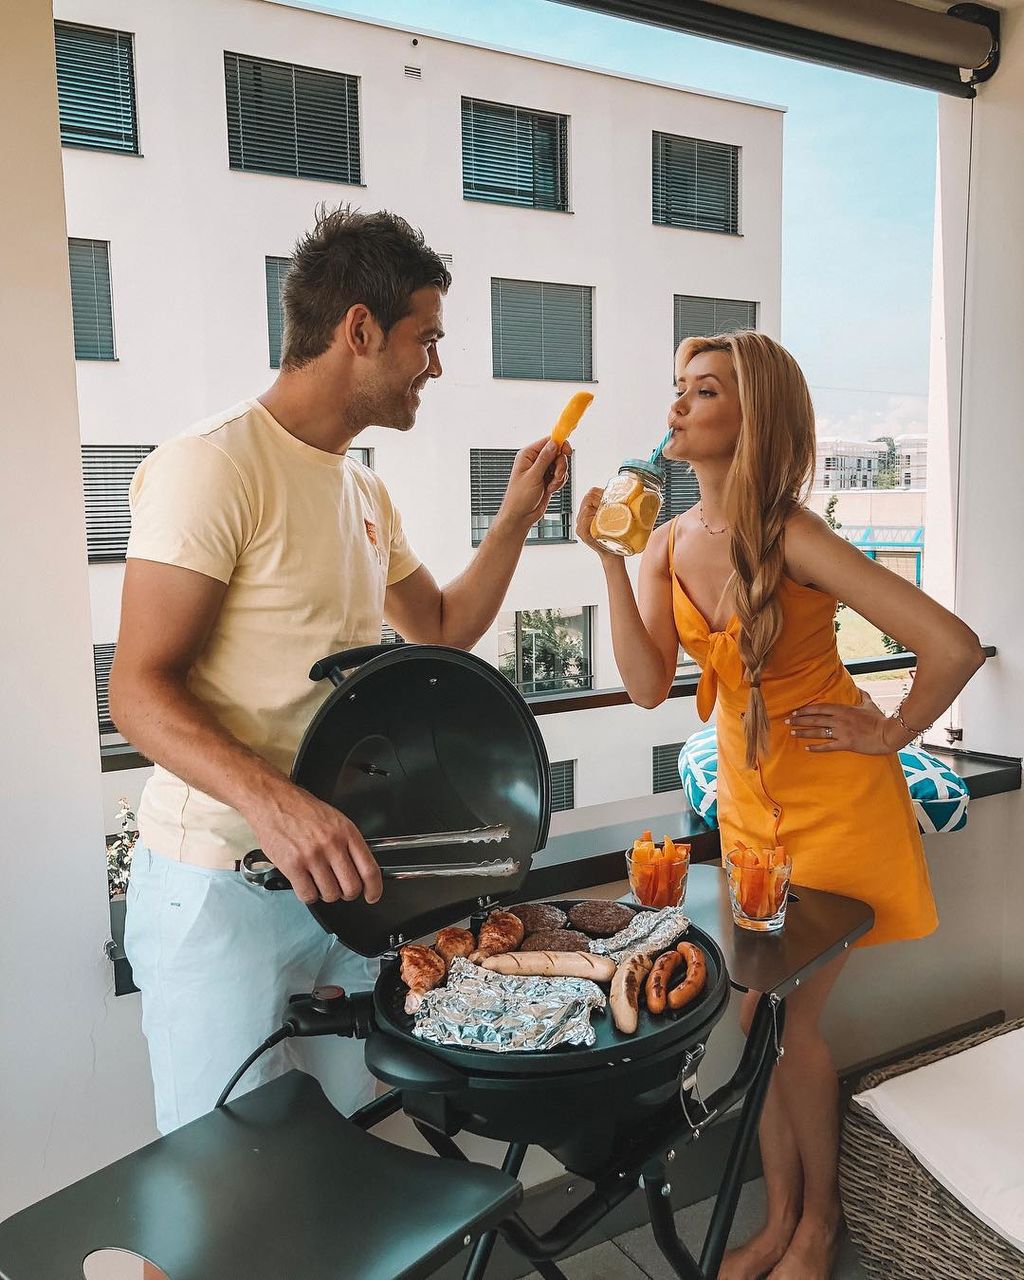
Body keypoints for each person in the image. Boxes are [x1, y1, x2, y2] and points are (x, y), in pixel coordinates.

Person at [110, 206, 570, 1134]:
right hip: (222, 890)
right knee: (221, 1180)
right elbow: (137, 692)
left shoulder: (363, 488)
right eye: (426, 339)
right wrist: (280, 807)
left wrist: (516, 519)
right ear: (360, 329)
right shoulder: (212, 466)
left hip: (344, 890)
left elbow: (441, 627)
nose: (435, 365)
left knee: (346, 1153)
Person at [577, 330, 985, 1280]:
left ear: (752, 416)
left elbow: (953, 646)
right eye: (678, 388)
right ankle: (783, 1224)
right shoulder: (667, 542)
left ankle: (814, 1229)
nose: (677, 405)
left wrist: (890, 731)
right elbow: (646, 686)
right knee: (759, 1022)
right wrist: (608, 563)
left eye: (703, 391)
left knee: (783, 1023)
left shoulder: (794, 534)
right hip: (751, 814)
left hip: (836, 804)